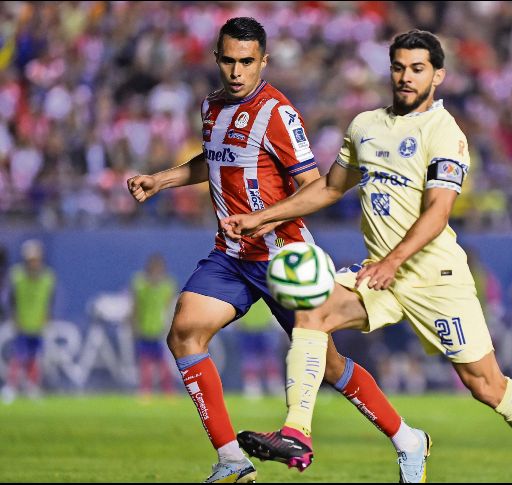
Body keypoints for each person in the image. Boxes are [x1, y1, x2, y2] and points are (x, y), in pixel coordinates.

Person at [223, 30, 512, 483]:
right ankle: (297, 433)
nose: (405, 77)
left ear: (438, 75)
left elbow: (438, 212)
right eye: (398, 67)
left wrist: (392, 262)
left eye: (417, 69)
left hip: (434, 277)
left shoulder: (445, 132)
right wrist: (261, 218)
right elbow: (331, 188)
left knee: (485, 385)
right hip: (381, 274)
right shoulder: (364, 126)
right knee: (310, 313)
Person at [127, 18, 426, 483]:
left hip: (284, 257)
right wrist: (160, 179)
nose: (236, 70)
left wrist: (261, 218)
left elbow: (314, 187)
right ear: (217, 59)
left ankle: (408, 439)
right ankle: (232, 460)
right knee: (184, 331)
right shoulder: (211, 107)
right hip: (231, 255)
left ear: (263, 61)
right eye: (228, 60)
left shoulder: (277, 113)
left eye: (246, 61)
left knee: (329, 366)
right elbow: (214, 159)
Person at [1, 240, 55, 404]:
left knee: (34, 357)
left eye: (36, 259)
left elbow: (49, 300)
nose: (34, 263)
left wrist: (46, 317)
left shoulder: (47, 277)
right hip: (22, 323)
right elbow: (11, 299)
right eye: (31, 259)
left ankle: (32, 386)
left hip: (37, 323)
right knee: (18, 356)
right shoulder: (17, 275)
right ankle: (11, 387)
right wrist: (14, 317)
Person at [131, 253, 176, 398]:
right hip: (145, 328)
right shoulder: (140, 285)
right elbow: (136, 307)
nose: (157, 273)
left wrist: (170, 326)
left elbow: (170, 307)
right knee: (145, 362)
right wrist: (134, 325)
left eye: (159, 270)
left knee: (163, 363)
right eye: (154, 269)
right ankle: (145, 390)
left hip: (161, 331)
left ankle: (168, 391)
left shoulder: (168, 286)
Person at [235, 299, 283, 398]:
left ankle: (274, 385)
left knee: (270, 357)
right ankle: (252, 386)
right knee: (249, 358)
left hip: (266, 325)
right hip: (247, 326)